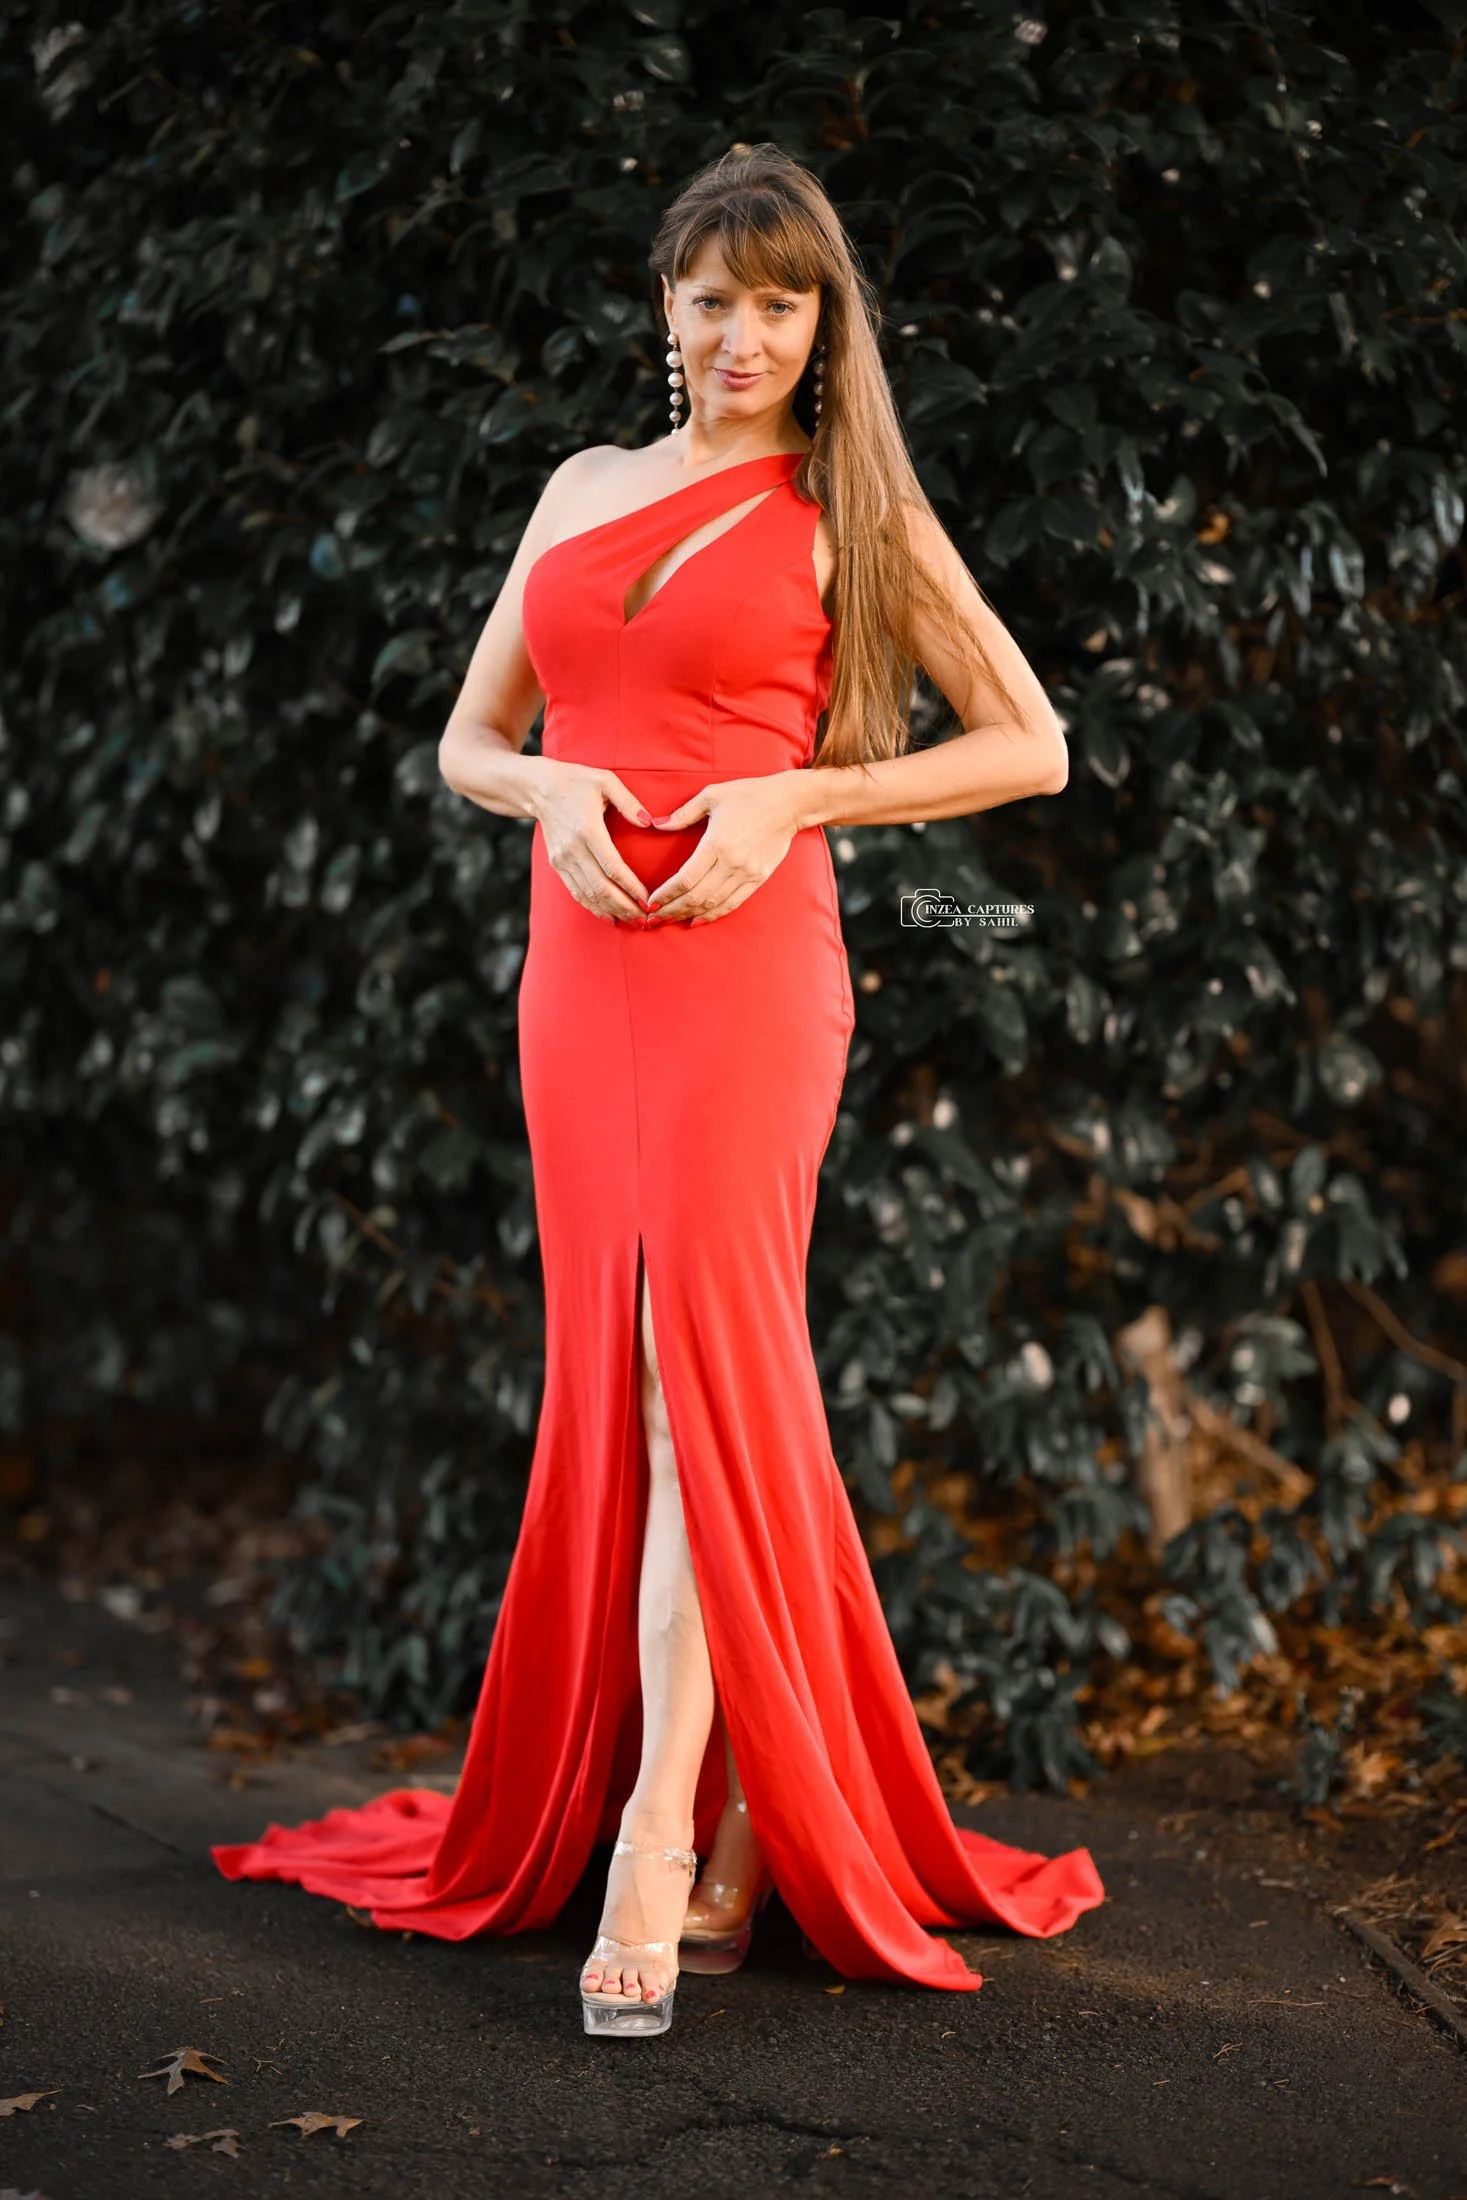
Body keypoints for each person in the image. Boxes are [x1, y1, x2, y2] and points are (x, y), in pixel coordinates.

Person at [213, 141, 1104, 2039]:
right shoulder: (581, 489)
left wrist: (791, 794)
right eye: (714, 296)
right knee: (619, 1388)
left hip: (752, 972)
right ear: (663, 308)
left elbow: (1029, 747)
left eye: (783, 301)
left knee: (708, 1381)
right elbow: (474, 736)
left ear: (824, 319)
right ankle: (728, 1802)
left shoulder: (849, 508)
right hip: (579, 971)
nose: (745, 333)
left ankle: (652, 1833)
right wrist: (545, 796)